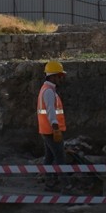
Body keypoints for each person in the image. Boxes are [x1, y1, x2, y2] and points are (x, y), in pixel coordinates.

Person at [37, 60, 68, 189]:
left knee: (49, 157)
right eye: (59, 76)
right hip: (51, 131)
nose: (61, 78)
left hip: (46, 130)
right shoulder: (49, 92)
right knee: (60, 157)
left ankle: (48, 181)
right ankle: (65, 184)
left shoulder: (46, 89)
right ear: (52, 76)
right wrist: (56, 129)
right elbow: (50, 111)